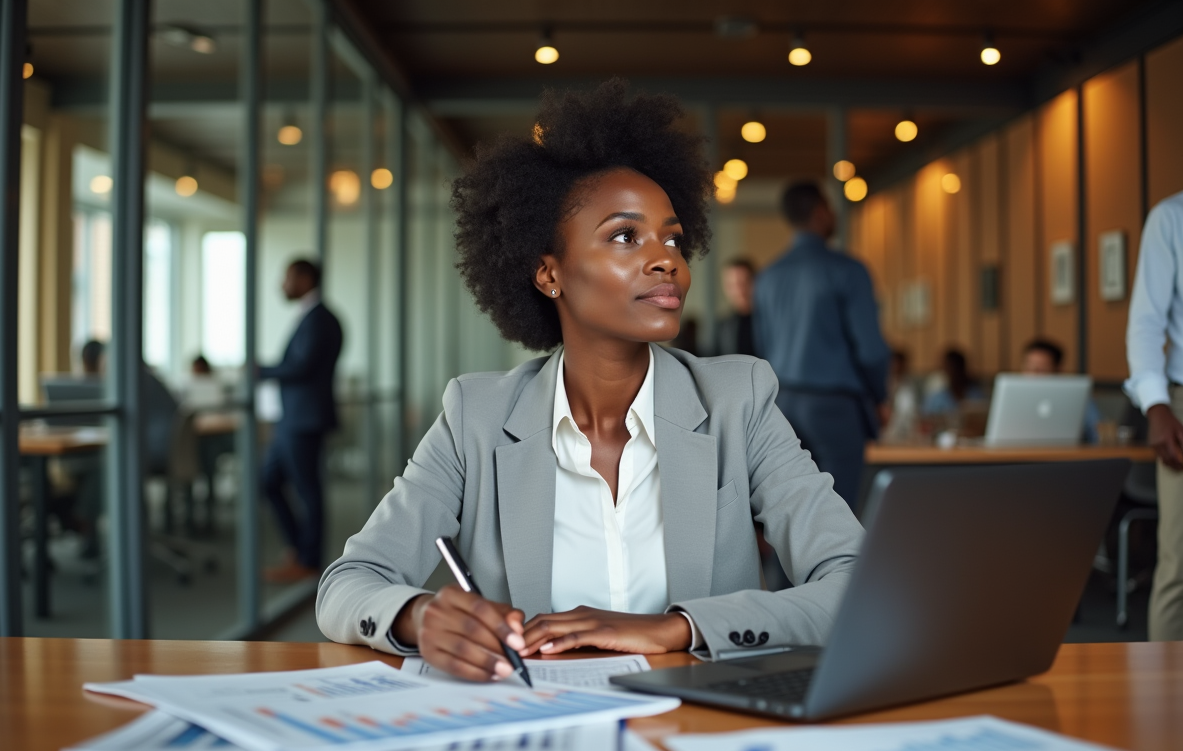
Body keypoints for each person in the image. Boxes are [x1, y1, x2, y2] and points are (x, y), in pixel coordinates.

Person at [316, 80, 862, 682]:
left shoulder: (740, 400)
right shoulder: (475, 415)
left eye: (674, 238)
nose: (667, 260)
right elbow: (349, 583)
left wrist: (678, 628)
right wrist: (418, 615)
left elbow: (857, 580)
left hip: (698, 728)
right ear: (549, 273)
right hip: (532, 730)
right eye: (626, 236)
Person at [753, 181, 889, 508]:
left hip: (782, 404)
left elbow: (763, 346)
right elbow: (871, 349)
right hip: (834, 407)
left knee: (792, 510)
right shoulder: (847, 270)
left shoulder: (768, 276)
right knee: (837, 514)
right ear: (820, 212)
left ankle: (784, 564)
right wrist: (880, 396)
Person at [260, 259, 344, 582]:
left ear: (306, 278)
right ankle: (299, 548)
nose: (282, 284)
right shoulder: (312, 318)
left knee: (308, 491)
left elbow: (301, 367)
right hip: (293, 419)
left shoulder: (319, 319)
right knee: (268, 481)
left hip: (304, 419)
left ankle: (309, 560)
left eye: (288, 277)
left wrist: (260, 371)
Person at [1125, 189, 1183, 642]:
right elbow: (1146, 322)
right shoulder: (1171, 217)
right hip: (1180, 405)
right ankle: (1163, 701)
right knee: (1179, 562)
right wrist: (1157, 406)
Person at [1021, 338, 1101, 443]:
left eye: (1041, 370)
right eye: (1029, 369)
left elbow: (1098, 434)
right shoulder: (1009, 398)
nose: (1034, 375)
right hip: (1017, 456)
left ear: (1058, 370)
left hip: (1067, 456)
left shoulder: (1076, 397)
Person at [922, 348, 985, 416]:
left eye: (955, 369)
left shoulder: (976, 396)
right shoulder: (936, 399)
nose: (952, 373)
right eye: (948, 369)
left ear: (962, 369)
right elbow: (925, 418)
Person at [714, 257, 756, 356]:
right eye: (731, 285)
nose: (739, 290)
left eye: (743, 283)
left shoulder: (770, 322)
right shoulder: (723, 326)